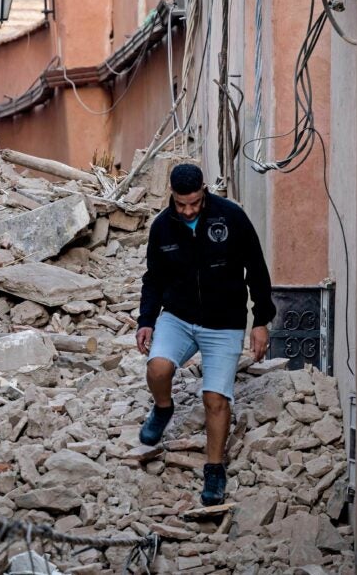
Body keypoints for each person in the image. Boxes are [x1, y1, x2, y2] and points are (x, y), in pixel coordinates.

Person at [135, 163, 275, 506]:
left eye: (194, 203)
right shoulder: (162, 228)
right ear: (172, 196)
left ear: (204, 190)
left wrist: (260, 320)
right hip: (178, 317)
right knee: (158, 368)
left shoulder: (231, 218)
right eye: (181, 204)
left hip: (224, 322)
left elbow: (256, 268)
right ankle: (163, 408)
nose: (188, 210)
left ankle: (214, 470)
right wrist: (146, 320)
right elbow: (153, 279)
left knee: (215, 399)